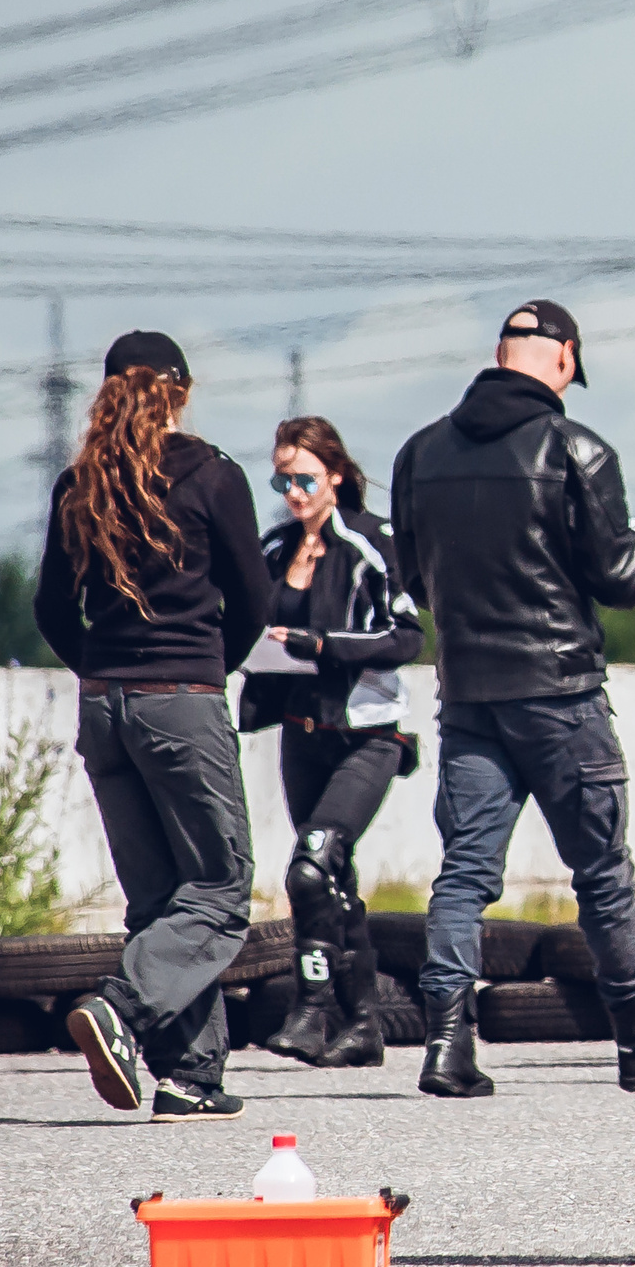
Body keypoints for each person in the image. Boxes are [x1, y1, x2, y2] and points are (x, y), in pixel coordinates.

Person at [393, 299, 635, 1102]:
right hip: (562, 693)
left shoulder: (417, 454)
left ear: (500, 354)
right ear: (565, 360)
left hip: (468, 691)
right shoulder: (575, 447)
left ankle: (446, 1041)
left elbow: (410, 577)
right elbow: (621, 578)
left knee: (464, 871)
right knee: (602, 870)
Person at [34, 332, 273, 1122]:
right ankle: (122, 1007)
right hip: (182, 697)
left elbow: (48, 609)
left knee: (162, 898)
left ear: (106, 393)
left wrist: (101, 670)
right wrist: (210, 670)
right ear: (181, 391)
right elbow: (253, 601)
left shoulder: (79, 483)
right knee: (220, 889)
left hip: (104, 704)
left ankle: (191, 1076)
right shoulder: (211, 475)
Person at [241, 417, 423, 1069]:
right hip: (300, 734)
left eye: (304, 478)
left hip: (368, 735)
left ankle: (313, 1008)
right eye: (282, 479)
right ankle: (365, 1023)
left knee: (310, 865)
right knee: (332, 881)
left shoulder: (372, 542)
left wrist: (322, 647)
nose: (292, 492)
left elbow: (407, 636)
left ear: (336, 475)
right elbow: (243, 625)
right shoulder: (275, 546)